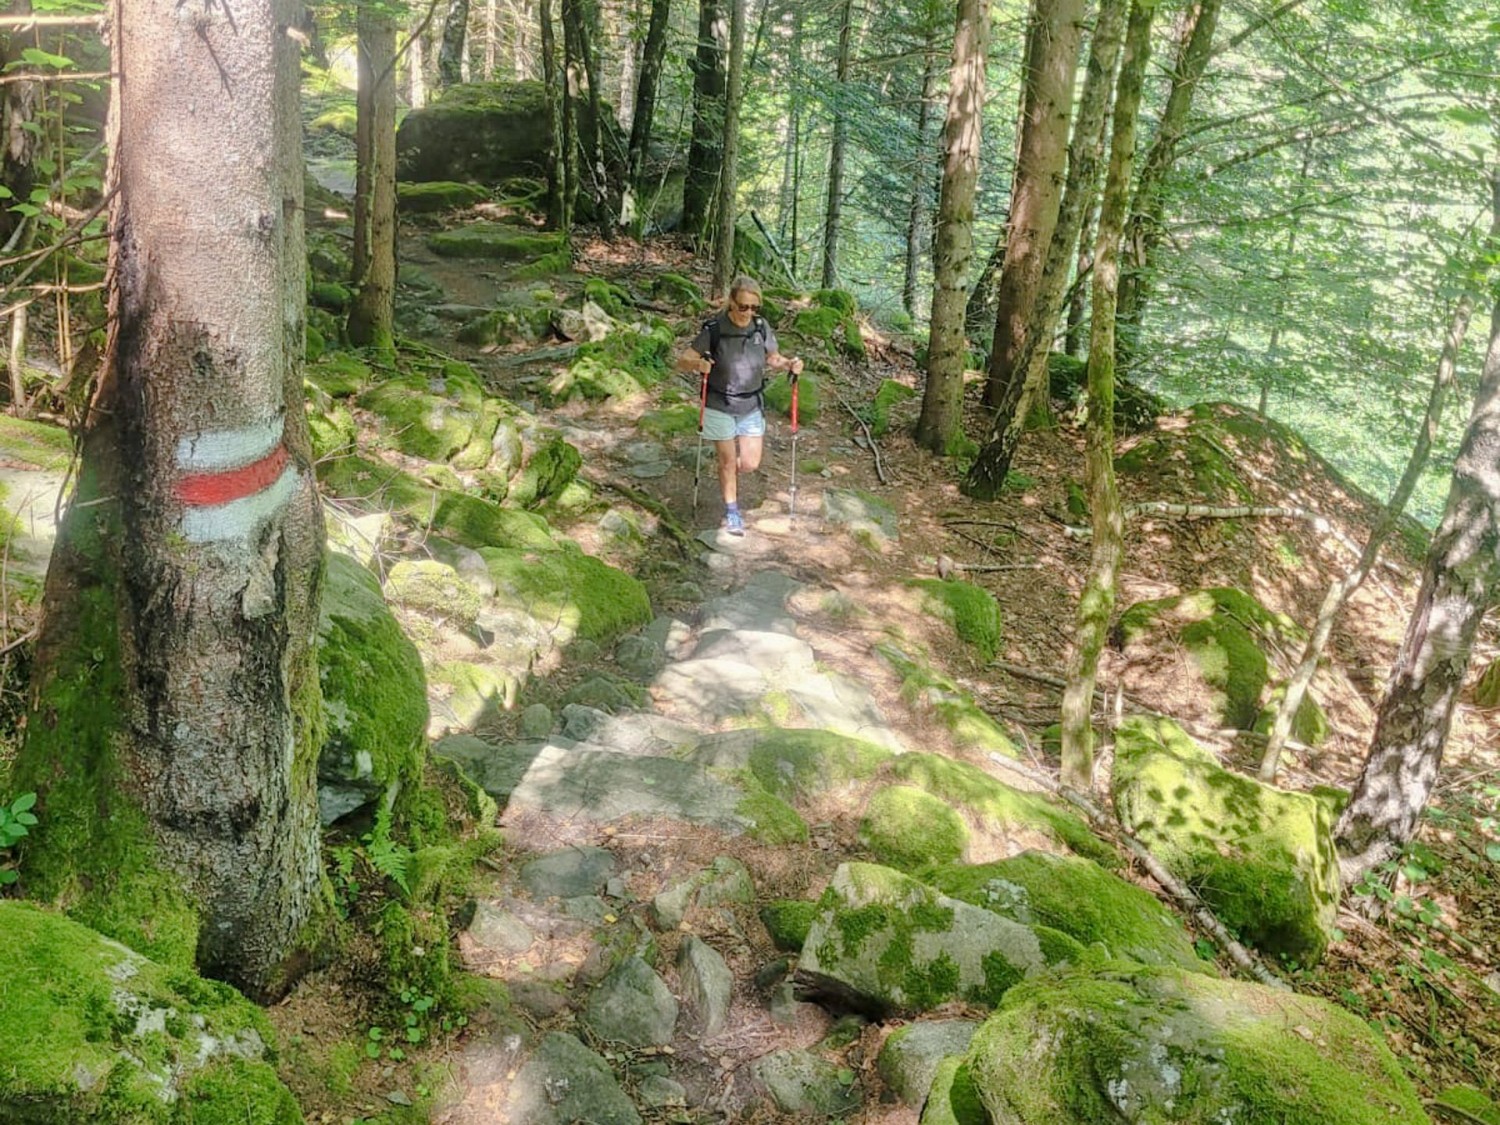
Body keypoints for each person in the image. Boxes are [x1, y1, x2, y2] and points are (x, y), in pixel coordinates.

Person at [675, 276, 804, 535]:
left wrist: (789, 363)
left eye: (754, 307)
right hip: (718, 402)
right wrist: (698, 365)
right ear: (731, 302)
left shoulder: (760, 327)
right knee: (726, 461)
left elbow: (773, 358)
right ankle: (732, 510)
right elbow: (684, 360)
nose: (748, 313)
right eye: (743, 306)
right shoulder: (715, 329)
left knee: (750, 463)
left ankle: (728, 472)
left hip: (751, 404)